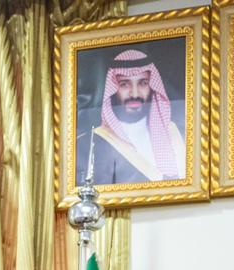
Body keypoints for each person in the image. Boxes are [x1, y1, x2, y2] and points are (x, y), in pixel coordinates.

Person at [78, 48, 186, 184]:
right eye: (124, 84)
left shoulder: (178, 133)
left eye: (143, 83)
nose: (135, 94)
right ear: (113, 89)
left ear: (152, 86)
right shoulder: (89, 144)